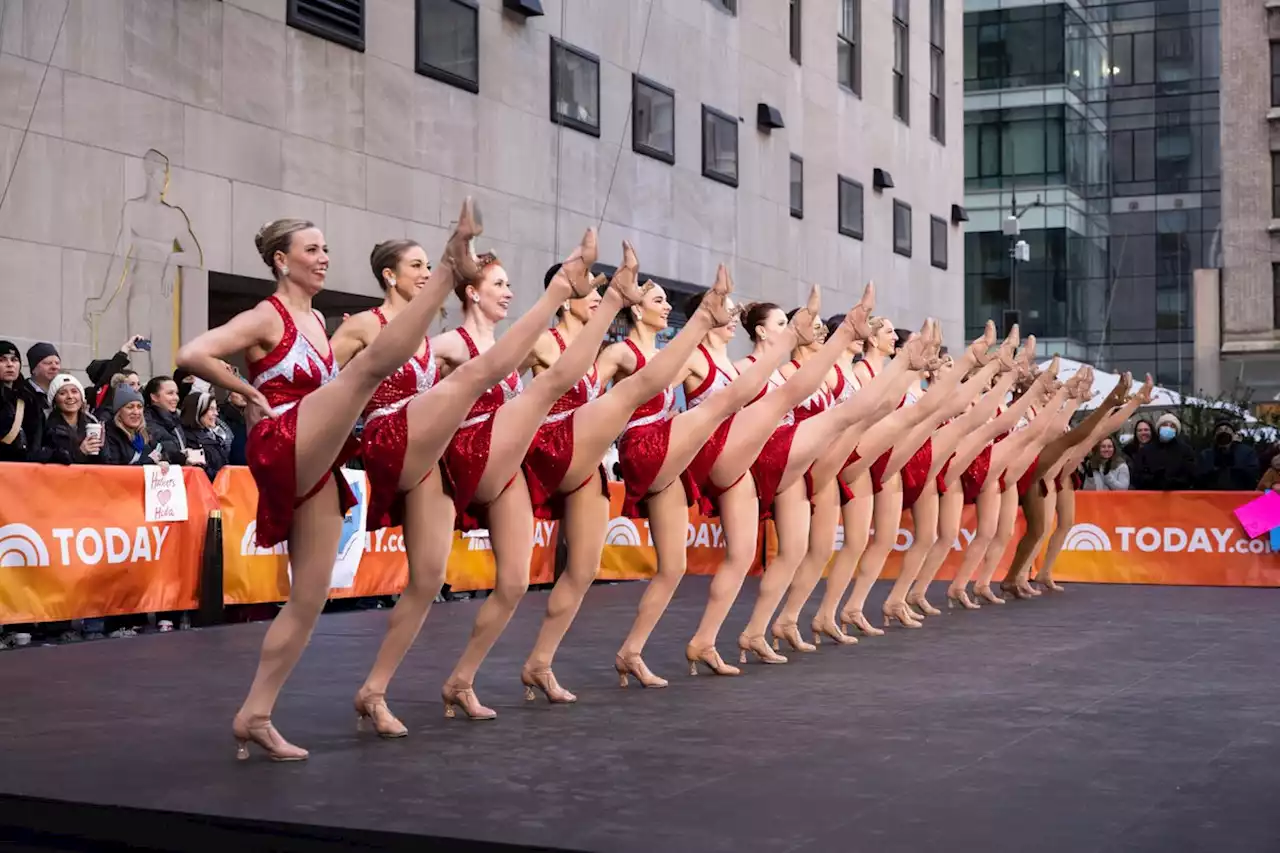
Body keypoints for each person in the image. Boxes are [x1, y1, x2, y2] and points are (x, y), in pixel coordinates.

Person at [176, 198, 484, 761]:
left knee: (309, 599)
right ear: (280, 260)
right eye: (311, 251)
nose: (323, 259)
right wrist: (246, 392)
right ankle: (449, 267)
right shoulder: (267, 316)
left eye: (325, 250)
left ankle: (255, 715)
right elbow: (191, 352)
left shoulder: (320, 321)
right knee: (368, 373)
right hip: (283, 438)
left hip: (318, 452)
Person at [342, 230, 626, 730]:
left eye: (510, 284)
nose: (508, 291)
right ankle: (374, 689)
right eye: (499, 283)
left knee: (515, 582)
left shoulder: (506, 346)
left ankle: (462, 681)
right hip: (456, 451)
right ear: (472, 291)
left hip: (501, 456)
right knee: (427, 580)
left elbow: (562, 372)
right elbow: (399, 374)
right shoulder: (448, 342)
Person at [431, 238, 658, 721]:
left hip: (582, 457)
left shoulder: (594, 350)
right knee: (510, 580)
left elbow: (590, 389)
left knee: (583, 569)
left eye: (601, 294)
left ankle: (539, 663)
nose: (595, 298)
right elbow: (489, 377)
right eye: (589, 291)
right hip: (536, 449)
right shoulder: (540, 340)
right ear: (567, 294)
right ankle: (465, 676)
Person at [519, 259, 746, 703]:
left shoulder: (665, 359)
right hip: (608, 446)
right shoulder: (617, 352)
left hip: (655, 449)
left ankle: (614, 654)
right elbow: (590, 392)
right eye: (658, 300)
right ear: (636, 310)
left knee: (616, 568)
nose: (665, 307)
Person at [684, 286, 891, 670]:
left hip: (792, 459)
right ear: (762, 332)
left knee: (796, 550)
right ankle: (711, 638)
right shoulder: (748, 368)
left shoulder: (769, 372)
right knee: (739, 556)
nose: (793, 328)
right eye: (784, 323)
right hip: (753, 456)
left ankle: (759, 630)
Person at [1028, 378, 1153, 593]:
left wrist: (1125, 402)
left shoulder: (1060, 413)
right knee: (1043, 527)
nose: (1056, 390)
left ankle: (1045, 571)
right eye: (1053, 387)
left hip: (1064, 471)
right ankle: (1021, 574)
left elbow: (1097, 430)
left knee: (1066, 523)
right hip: (1046, 471)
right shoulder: (1036, 410)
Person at [40, 374, 102, 464]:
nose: (70, 396)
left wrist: (103, 447)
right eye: (62, 393)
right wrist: (81, 452)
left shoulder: (92, 422)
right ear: (54, 400)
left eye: (74, 391)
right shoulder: (45, 424)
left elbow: (103, 461)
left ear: (82, 397)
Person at [0, 340, 44, 462]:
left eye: (14, 360)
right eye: (2, 360)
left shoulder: (28, 398)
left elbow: (37, 437)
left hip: (22, 469)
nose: (10, 365)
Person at [99, 385, 165, 466]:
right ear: (119, 412)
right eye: (130, 407)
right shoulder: (109, 434)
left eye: (139, 407)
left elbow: (162, 449)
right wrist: (150, 461)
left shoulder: (146, 432)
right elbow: (115, 469)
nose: (136, 412)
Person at [1130, 412, 1196, 491]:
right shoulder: (1146, 450)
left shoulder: (1185, 450)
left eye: (1172, 426)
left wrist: (1173, 482)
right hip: (1151, 497)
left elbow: (1191, 475)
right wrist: (1154, 480)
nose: (1168, 428)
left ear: (1176, 430)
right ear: (1159, 428)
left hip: (1178, 497)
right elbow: (1137, 476)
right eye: (1165, 425)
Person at [180, 390, 232, 481]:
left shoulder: (215, 436)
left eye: (216, 409)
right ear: (197, 410)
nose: (216, 413)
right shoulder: (188, 438)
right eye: (211, 409)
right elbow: (202, 471)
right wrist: (225, 479)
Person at [1195, 420, 1260, 491]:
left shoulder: (1247, 452)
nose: (1223, 432)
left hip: (1240, 496)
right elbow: (1200, 479)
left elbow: (1252, 476)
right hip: (1212, 497)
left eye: (1227, 429)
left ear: (1234, 435)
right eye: (1219, 430)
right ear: (1214, 436)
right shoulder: (1206, 454)